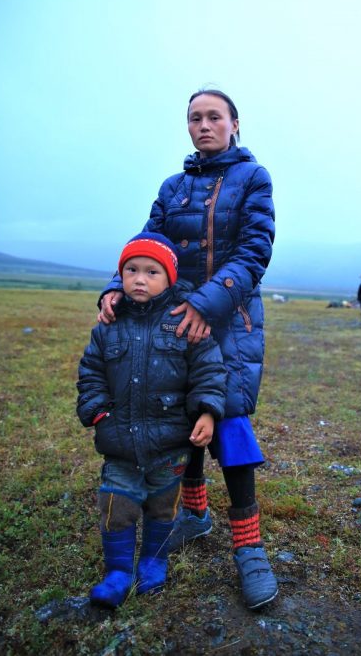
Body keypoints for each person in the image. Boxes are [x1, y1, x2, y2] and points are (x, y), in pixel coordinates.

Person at [98, 89, 279, 609]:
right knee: (180, 415)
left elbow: (254, 250)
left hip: (230, 317)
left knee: (230, 419)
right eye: (195, 118)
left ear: (234, 124)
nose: (203, 125)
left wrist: (206, 303)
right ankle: (194, 514)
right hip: (172, 317)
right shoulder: (172, 186)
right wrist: (116, 283)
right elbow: (146, 244)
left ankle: (249, 547)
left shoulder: (254, 179)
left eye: (213, 117)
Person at [77, 232, 227, 608]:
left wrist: (207, 411)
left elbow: (208, 371)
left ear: (169, 279)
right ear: (120, 275)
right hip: (119, 439)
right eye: (131, 270)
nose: (139, 279)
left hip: (170, 441)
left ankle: (154, 561)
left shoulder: (186, 322)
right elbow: (91, 371)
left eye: (151, 271)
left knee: (163, 507)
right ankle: (117, 572)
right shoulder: (108, 324)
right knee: (117, 506)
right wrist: (97, 412)